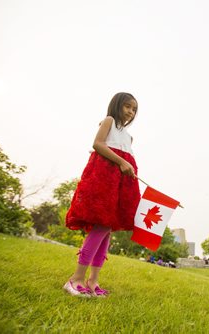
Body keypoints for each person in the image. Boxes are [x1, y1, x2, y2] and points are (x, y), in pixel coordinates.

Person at [63, 92, 141, 297]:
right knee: (101, 225)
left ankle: (93, 281)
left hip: (121, 184)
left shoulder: (129, 136)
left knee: (107, 229)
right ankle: (76, 279)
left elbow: (126, 157)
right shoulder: (108, 121)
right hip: (104, 179)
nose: (130, 112)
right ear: (117, 105)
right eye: (127, 106)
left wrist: (128, 166)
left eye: (134, 109)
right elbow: (98, 144)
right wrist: (122, 162)